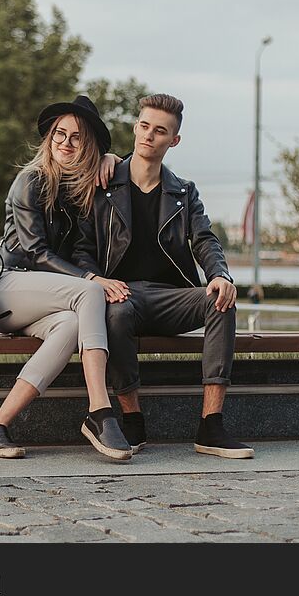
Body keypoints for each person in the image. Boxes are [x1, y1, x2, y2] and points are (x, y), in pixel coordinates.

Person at [72, 93, 254, 459]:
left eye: (159, 131)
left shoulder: (183, 192)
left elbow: (205, 239)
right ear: (135, 127)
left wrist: (220, 275)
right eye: (143, 126)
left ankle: (211, 426)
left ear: (174, 140)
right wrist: (96, 280)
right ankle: (132, 420)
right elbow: (80, 249)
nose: (148, 136)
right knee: (116, 312)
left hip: (171, 297)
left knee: (220, 300)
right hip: (121, 296)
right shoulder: (103, 184)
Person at [0, 95, 132, 461]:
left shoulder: (79, 192)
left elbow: (79, 250)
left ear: (88, 146)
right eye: (60, 134)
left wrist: (115, 160)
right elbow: (35, 253)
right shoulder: (30, 181)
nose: (65, 142)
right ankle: (99, 410)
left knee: (70, 324)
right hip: (5, 286)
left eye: (76, 137)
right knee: (89, 295)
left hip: (41, 296)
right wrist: (92, 279)